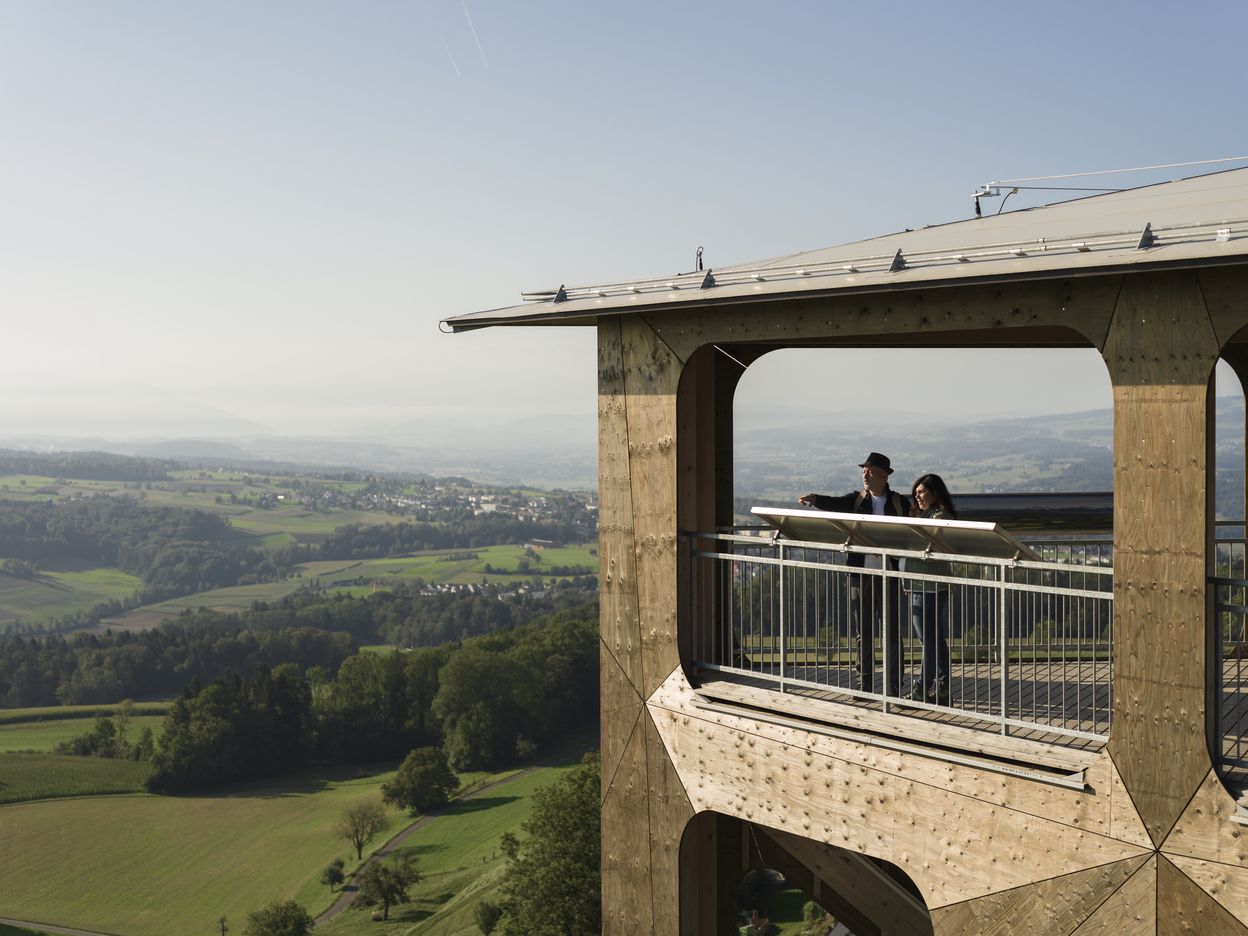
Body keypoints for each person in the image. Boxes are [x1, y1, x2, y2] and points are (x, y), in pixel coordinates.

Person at [800, 453, 909, 696]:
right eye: (863, 471)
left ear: (883, 474)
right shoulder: (857, 500)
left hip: (888, 575)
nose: (865, 474)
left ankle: (893, 687)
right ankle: (865, 686)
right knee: (865, 634)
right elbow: (834, 503)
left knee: (892, 634)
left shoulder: (899, 503)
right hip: (860, 575)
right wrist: (815, 499)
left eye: (869, 470)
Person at [905, 473, 957, 704]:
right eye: (916, 493)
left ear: (935, 492)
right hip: (921, 584)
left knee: (928, 640)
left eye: (922, 492)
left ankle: (921, 687)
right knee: (935, 640)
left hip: (929, 586)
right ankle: (943, 688)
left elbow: (931, 549)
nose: (918, 497)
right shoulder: (927, 514)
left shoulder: (940, 516)